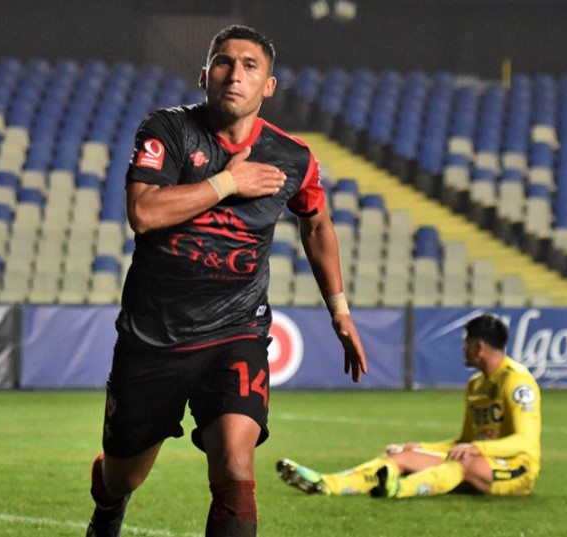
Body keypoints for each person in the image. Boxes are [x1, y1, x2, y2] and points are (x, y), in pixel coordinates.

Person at [86, 25, 368, 536]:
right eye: (224, 62)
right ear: (204, 76)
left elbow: (317, 225)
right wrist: (229, 182)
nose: (235, 74)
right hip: (154, 338)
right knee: (124, 475)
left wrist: (340, 310)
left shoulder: (293, 157)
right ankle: (108, 504)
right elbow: (144, 212)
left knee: (236, 470)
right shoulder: (168, 130)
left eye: (250, 66)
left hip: (235, 333)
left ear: (268, 86)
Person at [277, 313, 540, 499]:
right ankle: (327, 483)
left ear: (479, 347)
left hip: (516, 469)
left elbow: (525, 441)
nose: (463, 349)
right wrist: (418, 447)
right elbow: (463, 442)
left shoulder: (517, 382)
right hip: (477, 459)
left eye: (466, 343)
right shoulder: (475, 385)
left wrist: (476, 448)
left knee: (464, 463)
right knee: (400, 457)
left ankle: (397, 489)